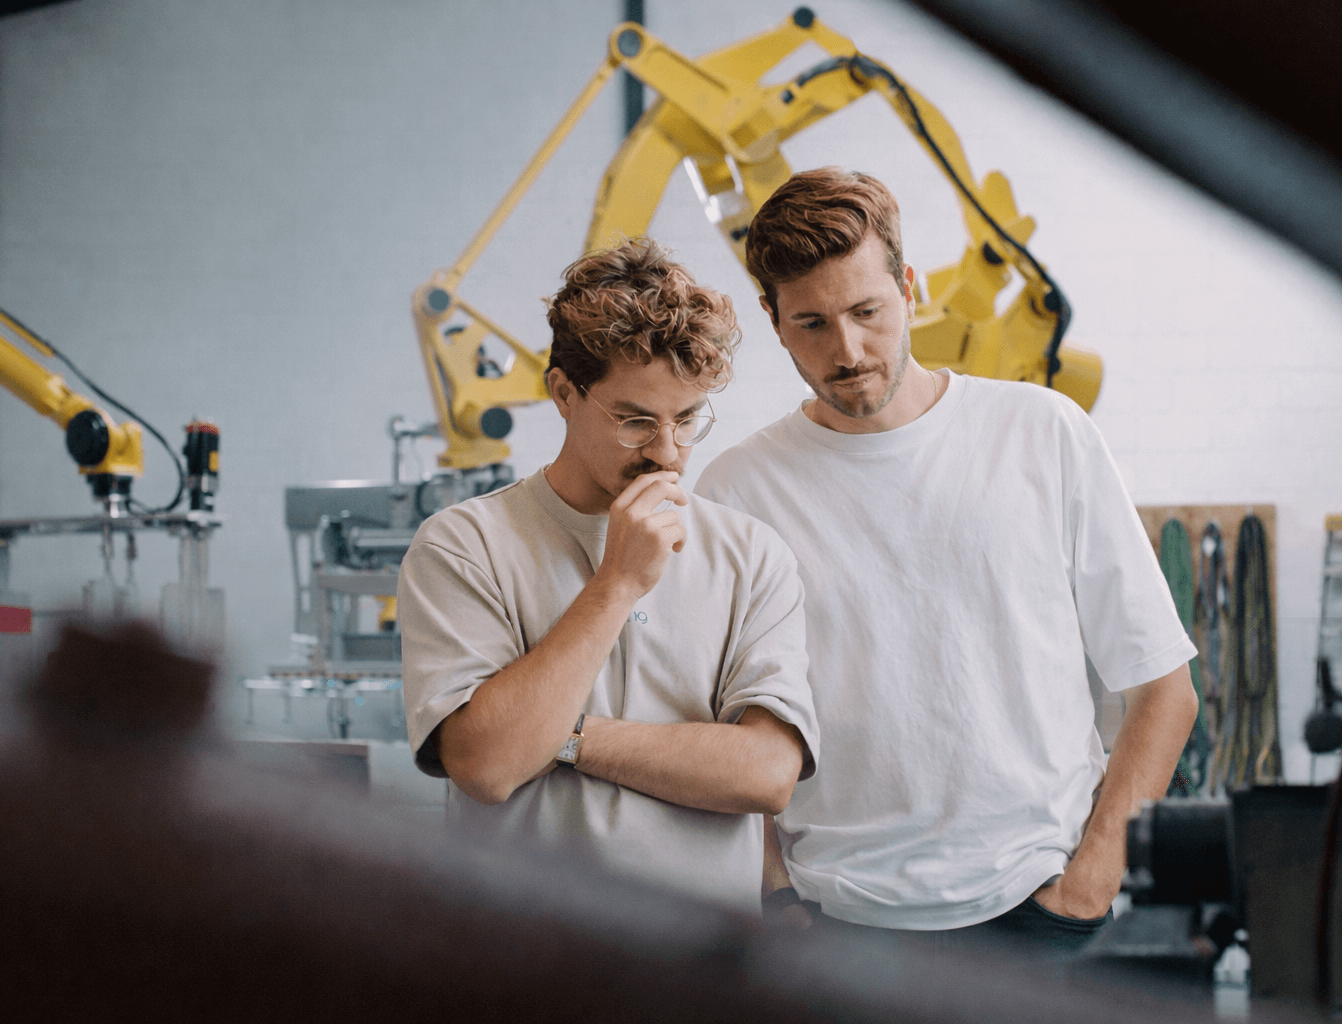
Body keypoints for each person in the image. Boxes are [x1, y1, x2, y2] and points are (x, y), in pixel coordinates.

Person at [695, 168, 1199, 953]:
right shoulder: (737, 490)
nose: (849, 349)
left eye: (867, 311)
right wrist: (779, 894)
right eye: (813, 324)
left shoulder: (1043, 434)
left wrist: (1092, 879)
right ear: (773, 319)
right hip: (835, 924)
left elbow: (1164, 688)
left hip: (1041, 909)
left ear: (909, 285)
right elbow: (716, 721)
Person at [397, 238, 819, 911]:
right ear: (563, 392)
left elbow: (767, 774)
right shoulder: (462, 546)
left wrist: (564, 737)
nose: (668, 452)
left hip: (700, 970)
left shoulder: (752, 554)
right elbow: (487, 767)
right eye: (634, 421)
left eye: (687, 419)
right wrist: (617, 583)